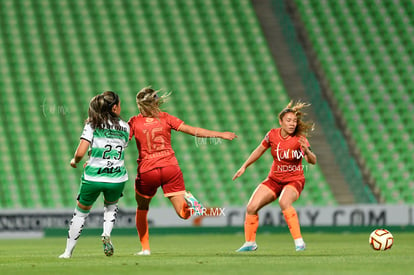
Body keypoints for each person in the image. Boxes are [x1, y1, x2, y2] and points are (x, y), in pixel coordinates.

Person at [128, 87, 237, 256]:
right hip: (170, 168)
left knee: (142, 208)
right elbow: (194, 131)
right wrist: (220, 134)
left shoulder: (134, 122)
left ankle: (145, 249)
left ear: (139, 105)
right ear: (156, 102)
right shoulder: (166, 118)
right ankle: (189, 199)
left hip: (148, 171)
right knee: (183, 214)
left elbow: (119, 141)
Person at [233, 101, 317, 252]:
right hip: (274, 180)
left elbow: (313, 161)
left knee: (284, 202)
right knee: (251, 207)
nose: (292, 124)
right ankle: (250, 243)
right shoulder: (272, 135)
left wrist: (308, 152)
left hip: (294, 180)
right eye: (289, 121)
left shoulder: (300, 139)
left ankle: (299, 242)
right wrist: (244, 166)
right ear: (281, 122)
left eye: (294, 121)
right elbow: (259, 150)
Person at [59, 91, 130, 258]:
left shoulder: (93, 124)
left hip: (93, 177)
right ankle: (106, 234)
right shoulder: (126, 127)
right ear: (114, 108)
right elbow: (114, 149)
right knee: (111, 207)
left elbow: (81, 152)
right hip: (116, 177)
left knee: (81, 213)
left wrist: (75, 161)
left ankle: (68, 252)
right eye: (119, 104)